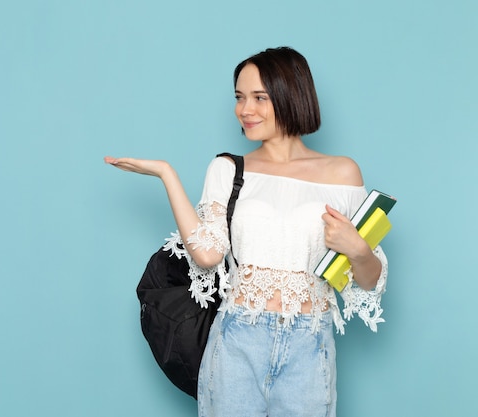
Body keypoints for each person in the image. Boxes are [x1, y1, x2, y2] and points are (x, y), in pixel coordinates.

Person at [105, 46, 388, 417]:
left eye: (258, 98)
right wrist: (167, 175)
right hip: (237, 338)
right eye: (239, 98)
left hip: (310, 342)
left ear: (292, 94)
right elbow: (207, 254)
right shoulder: (228, 169)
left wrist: (358, 249)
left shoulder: (343, 174)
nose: (245, 110)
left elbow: (369, 280)